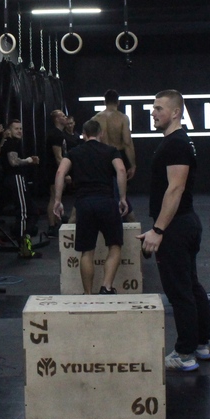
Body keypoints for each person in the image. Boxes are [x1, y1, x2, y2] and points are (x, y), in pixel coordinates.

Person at [137, 91, 210, 371]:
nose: (153, 113)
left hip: (176, 227)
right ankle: (201, 344)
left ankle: (185, 353)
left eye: (159, 108)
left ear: (176, 112)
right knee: (190, 285)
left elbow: (176, 189)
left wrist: (158, 229)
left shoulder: (176, 143)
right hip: (182, 223)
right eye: (153, 108)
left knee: (180, 291)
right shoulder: (176, 142)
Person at [50, 120, 129, 294]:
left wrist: (57, 200)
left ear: (84, 135)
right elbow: (121, 170)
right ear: (101, 134)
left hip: (84, 204)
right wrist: (122, 198)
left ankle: (88, 294)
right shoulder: (111, 151)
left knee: (87, 252)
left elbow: (60, 172)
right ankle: (106, 287)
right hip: (107, 202)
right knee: (115, 245)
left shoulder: (74, 152)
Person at [1, 119, 41, 257]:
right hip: (15, 178)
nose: (19, 131)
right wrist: (28, 160)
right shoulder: (11, 143)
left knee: (33, 211)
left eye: (21, 128)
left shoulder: (14, 143)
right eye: (16, 128)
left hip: (18, 179)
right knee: (24, 213)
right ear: (9, 131)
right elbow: (13, 162)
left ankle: (25, 241)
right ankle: (24, 248)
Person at [93, 90, 136, 180]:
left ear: (104, 102)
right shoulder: (123, 118)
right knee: (120, 186)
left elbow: (91, 142)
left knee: (103, 185)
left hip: (102, 156)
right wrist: (132, 165)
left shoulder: (95, 119)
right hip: (118, 155)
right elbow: (127, 142)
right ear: (118, 102)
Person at [45, 110, 71, 233]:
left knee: (57, 197)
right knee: (54, 197)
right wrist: (65, 173)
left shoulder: (59, 134)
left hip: (55, 170)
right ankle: (52, 226)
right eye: (63, 116)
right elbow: (58, 157)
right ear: (57, 119)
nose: (65, 118)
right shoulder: (56, 135)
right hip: (53, 170)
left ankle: (55, 222)